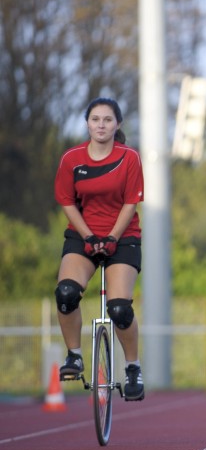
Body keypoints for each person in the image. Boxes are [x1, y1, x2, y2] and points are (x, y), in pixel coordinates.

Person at [54, 97, 146, 401]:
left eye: (108, 120)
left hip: (123, 236)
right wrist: (89, 236)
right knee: (66, 293)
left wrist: (112, 237)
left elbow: (131, 202)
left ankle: (133, 367)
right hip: (83, 236)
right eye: (95, 119)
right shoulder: (72, 159)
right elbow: (67, 202)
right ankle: (75, 356)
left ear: (117, 124)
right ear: (87, 123)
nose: (101, 125)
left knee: (119, 309)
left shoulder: (129, 157)